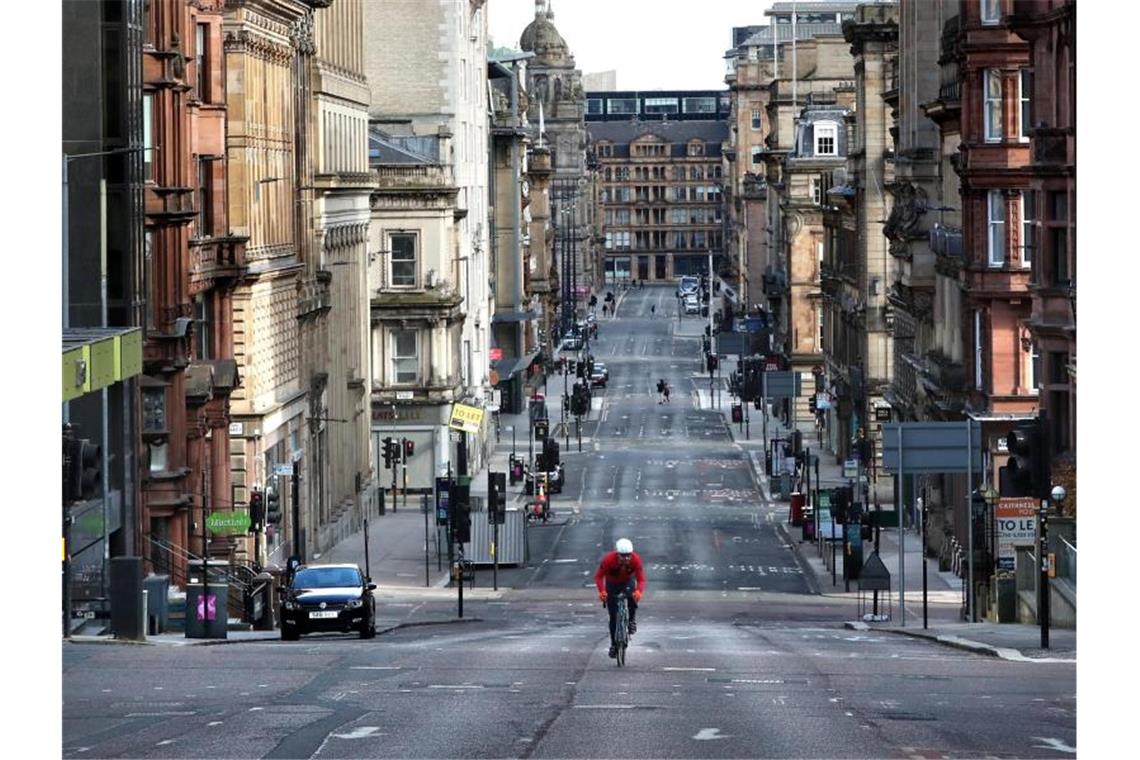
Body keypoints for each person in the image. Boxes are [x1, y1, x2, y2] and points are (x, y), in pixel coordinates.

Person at [595, 538, 645, 658]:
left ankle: (632, 620)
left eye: (628, 556)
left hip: (627, 582)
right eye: (623, 556)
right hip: (612, 584)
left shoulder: (636, 560)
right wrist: (602, 592)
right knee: (613, 616)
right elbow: (598, 577)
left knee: (632, 597)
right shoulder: (608, 560)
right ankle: (613, 645)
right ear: (617, 554)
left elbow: (641, 579)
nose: (626, 559)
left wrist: (639, 591)